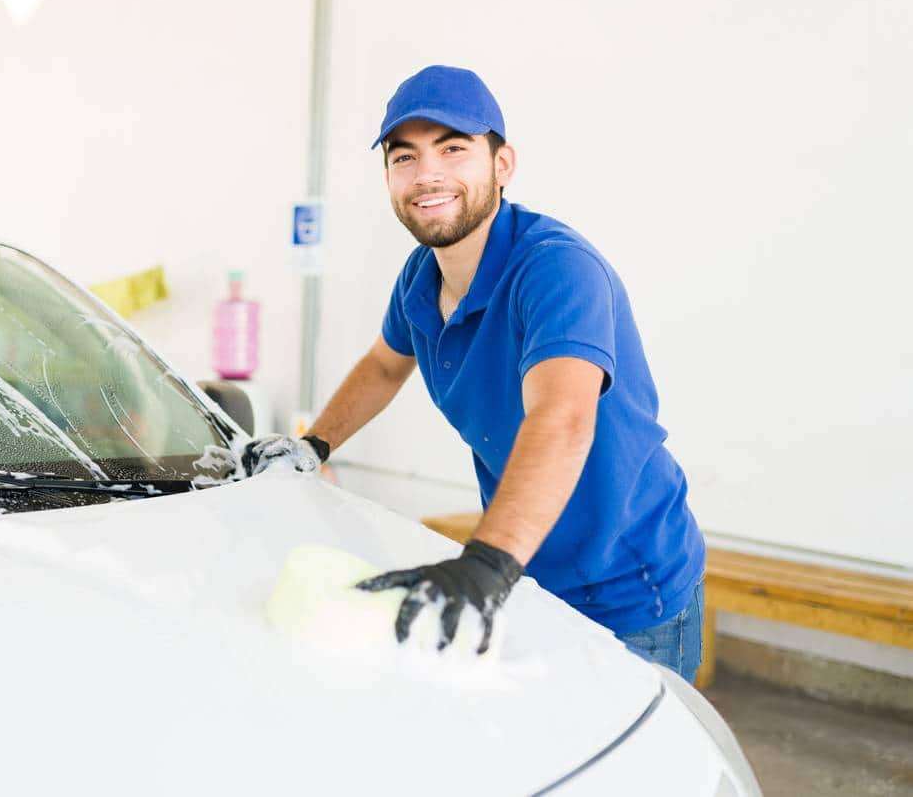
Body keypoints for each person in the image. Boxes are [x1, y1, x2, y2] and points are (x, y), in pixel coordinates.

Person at [241, 65, 706, 682]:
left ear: (502, 163)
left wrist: (484, 564)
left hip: (627, 586)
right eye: (404, 157)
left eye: (453, 149)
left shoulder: (556, 270)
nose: (427, 173)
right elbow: (384, 365)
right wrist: (313, 444)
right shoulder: (421, 276)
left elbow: (563, 419)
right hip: (525, 567)